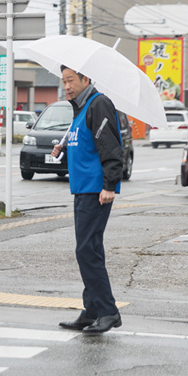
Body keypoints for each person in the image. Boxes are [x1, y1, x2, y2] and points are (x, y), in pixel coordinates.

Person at [52, 65, 124, 334]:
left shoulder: (99, 103)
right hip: (82, 189)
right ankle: (92, 309)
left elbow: (111, 146)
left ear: (86, 79)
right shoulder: (81, 108)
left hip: (96, 191)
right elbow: (85, 143)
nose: (67, 86)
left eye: (71, 80)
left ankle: (108, 311)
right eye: (64, 81)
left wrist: (109, 185)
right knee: (91, 249)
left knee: (86, 251)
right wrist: (63, 148)